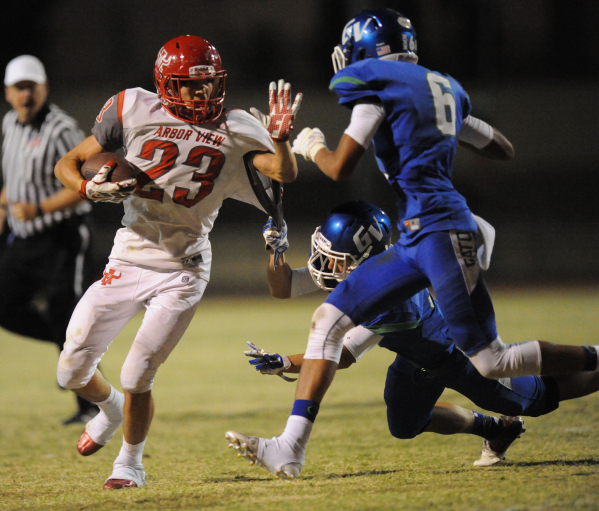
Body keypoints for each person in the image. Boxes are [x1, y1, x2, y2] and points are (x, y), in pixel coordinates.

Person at [224, 8, 599, 480]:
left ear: (363, 53)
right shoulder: (436, 90)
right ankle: (288, 449)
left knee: (493, 361)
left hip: (439, 231)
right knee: (327, 319)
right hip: (417, 235)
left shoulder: (377, 90)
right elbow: (501, 148)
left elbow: (339, 167)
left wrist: (311, 144)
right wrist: (444, 130)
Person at [53, 35, 301, 490]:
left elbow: (284, 172)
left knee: (136, 372)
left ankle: (130, 463)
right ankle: (108, 410)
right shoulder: (132, 108)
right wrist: (90, 190)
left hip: (184, 267)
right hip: (129, 255)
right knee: (69, 369)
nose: (203, 95)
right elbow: (68, 164)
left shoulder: (239, 126)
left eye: (209, 85)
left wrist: (282, 141)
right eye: (190, 86)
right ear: (167, 83)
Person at [226, 202, 599, 471]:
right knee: (404, 424)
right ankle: (497, 429)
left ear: (358, 262)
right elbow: (285, 287)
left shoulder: (390, 300)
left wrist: (285, 362)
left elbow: (344, 353)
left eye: (332, 259)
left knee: (540, 397)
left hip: (457, 357)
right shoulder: (369, 269)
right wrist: (275, 250)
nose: (323, 265)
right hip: (416, 359)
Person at [0, 55, 98, 425]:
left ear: (44, 88)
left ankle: (88, 403)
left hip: (63, 235)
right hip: (25, 239)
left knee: (67, 314)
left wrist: (41, 208)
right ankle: (68, 358)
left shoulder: (62, 129)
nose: (26, 94)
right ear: (8, 92)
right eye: (19, 87)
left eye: (31, 86)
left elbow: (87, 185)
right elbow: (15, 178)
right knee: (6, 306)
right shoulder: (10, 123)